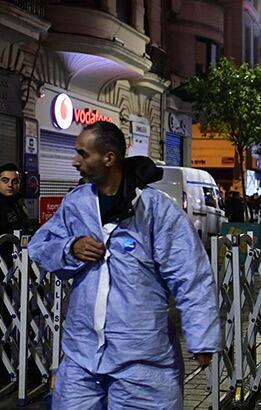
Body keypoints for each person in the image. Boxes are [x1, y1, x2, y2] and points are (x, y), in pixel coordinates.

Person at [28, 122, 220, 409]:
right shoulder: (77, 203)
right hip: (83, 354)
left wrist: (201, 338)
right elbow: (41, 247)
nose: (74, 161)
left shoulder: (155, 209)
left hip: (141, 357)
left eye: (83, 153)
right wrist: (71, 247)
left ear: (108, 158)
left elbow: (190, 274)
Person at [0, 163, 29, 266]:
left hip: (19, 260)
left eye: (15, 181)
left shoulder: (19, 202)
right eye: (5, 180)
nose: (10, 185)